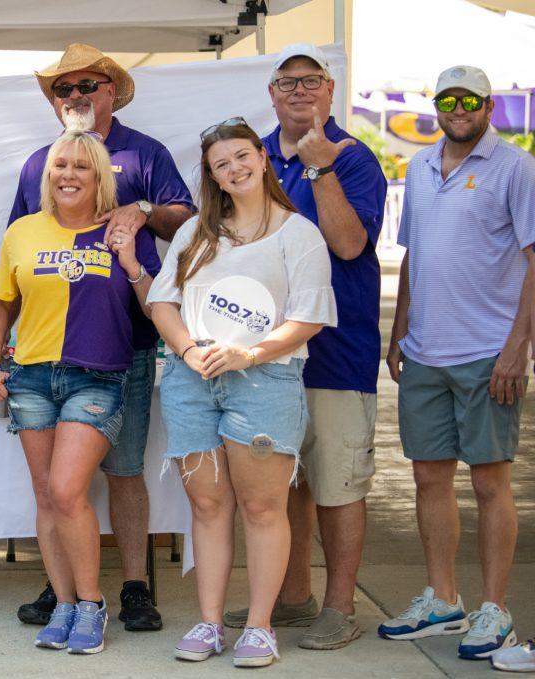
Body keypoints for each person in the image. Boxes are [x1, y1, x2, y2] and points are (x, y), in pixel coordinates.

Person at [9, 42, 194, 632]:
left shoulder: (146, 153)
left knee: (124, 470)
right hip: (51, 350)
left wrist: (142, 208)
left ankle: (135, 586)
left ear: (112, 90)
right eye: (64, 88)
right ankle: (63, 587)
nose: (76, 97)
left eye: (88, 85)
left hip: (130, 341)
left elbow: (187, 221)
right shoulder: (39, 163)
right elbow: (19, 247)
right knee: (63, 484)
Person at [148, 118, 336, 668]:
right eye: (220, 164)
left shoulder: (298, 233)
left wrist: (249, 354)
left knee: (261, 506)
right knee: (207, 505)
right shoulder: (195, 233)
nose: (233, 168)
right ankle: (208, 622)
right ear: (212, 176)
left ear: (262, 156)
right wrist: (187, 351)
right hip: (192, 379)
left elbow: (309, 317)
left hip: (265, 381)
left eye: (240, 156)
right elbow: (163, 304)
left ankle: (258, 627)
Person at [223, 43, 387, 651]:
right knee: (280, 485)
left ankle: (339, 607)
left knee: (337, 483)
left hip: (336, 352)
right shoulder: (254, 158)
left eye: (310, 81)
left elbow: (348, 246)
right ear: (271, 94)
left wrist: (320, 169)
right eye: (286, 82)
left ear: (329, 92)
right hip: (266, 353)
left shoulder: (353, 157)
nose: (298, 91)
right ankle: (292, 599)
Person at [0, 127, 159, 655]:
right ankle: (61, 604)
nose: (68, 175)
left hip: (98, 374)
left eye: (82, 167)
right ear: (47, 176)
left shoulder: (123, 228)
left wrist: (129, 260)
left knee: (65, 491)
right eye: (61, 166)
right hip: (33, 376)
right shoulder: (23, 231)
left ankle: (91, 604)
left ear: (100, 178)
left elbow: (155, 308)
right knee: (46, 495)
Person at [380, 65, 534, 661]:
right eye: (448, 98)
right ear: (436, 105)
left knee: (491, 480)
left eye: (469, 99)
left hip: (487, 352)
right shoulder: (419, 166)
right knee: (428, 476)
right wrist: (398, 333)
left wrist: (516, 347)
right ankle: (444, 599)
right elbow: (417, 253)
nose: (458, 107)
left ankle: (494, 607)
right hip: (425, 351)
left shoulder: (516, 167)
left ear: (489, 106)